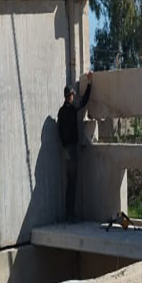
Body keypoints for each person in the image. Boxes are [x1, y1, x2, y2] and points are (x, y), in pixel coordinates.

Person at [57, 72, 92, 221]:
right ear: (70, 95)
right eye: (73, 94)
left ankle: (68, 213)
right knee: (72, 182)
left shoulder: (61, 111)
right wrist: (89, 84)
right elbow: (84, 102)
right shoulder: (71, 109)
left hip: (65, 149)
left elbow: (59, 131)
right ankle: (70, 214)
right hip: (71, 148)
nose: (74, 97)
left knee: (69, 182)